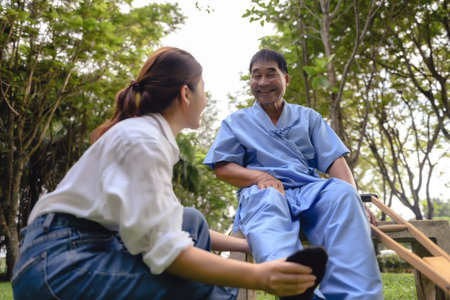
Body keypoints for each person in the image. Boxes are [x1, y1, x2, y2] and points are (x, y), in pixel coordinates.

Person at [11, 47, 325, 300]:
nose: (207, 98)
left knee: (191, 222)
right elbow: (168, 252)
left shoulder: (148, 135)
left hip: (83, 248)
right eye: (204, 89)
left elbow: (165, 225)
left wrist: (247, 245)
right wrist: (262, 276)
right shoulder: (143, 141)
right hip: (59, 266)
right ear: (185, 94)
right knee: (208, 286)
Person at [204, 49, 384, 299]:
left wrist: (356, 200)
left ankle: (355, 295)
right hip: (265, 190)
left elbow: (334, 160)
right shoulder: (236, 122)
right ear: (250, 81)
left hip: (310, 189)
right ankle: (293, 282)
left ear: (286, 79)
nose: (263, 82)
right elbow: (222, 167)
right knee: (266, 200)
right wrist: (258, 177)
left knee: (342, 193)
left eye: (271, 74)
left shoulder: (308, 118)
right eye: (256, 76)